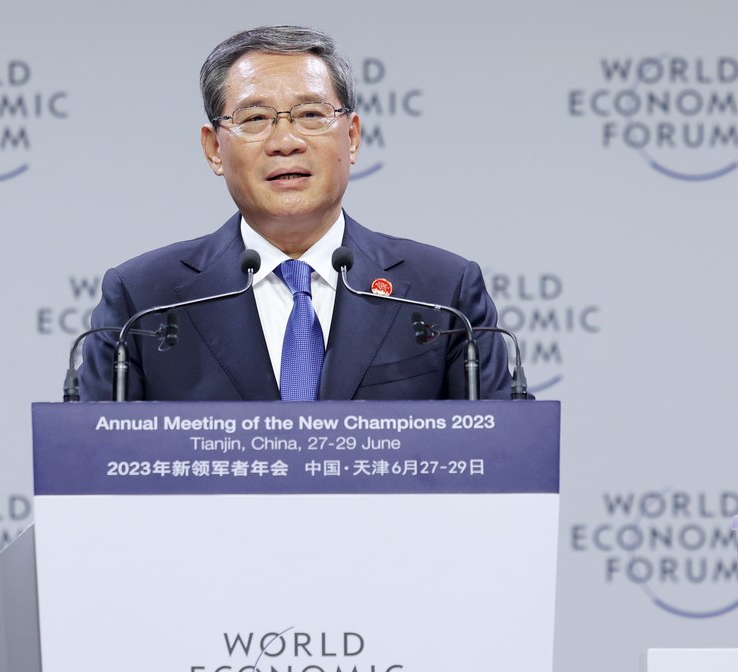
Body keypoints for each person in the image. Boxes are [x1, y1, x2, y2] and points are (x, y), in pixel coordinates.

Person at [78, 25, 513, 402]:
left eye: (310, 114)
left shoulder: (443, 293)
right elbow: (95, 458)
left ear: (352, 137)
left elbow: (496, 454)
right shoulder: (144, 301)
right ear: (214, 149)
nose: (285, 142)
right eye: (255, 118)